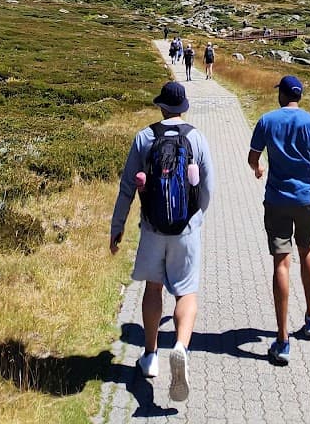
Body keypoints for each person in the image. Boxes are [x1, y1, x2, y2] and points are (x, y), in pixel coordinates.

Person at [111, 80, 213, 403]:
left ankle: (151, 355)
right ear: (183, 108)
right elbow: (208, 188)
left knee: (153, 289)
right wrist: (196, 217)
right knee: (186, 292)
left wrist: (117, 227)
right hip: (185, 230)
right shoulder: (196, 138)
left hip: (152, 229)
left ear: (160, 107)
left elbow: (128, 186)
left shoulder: (144, 137)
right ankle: (181, 346)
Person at [248, 74, 310, 367]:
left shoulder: (266, 121)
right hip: (307, 199)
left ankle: (283, 340)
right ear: (299, 95)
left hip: (276, 200)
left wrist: (259, 169)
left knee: (281, 262)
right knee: (307, 250)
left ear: (281, 95)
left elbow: (252, 157)